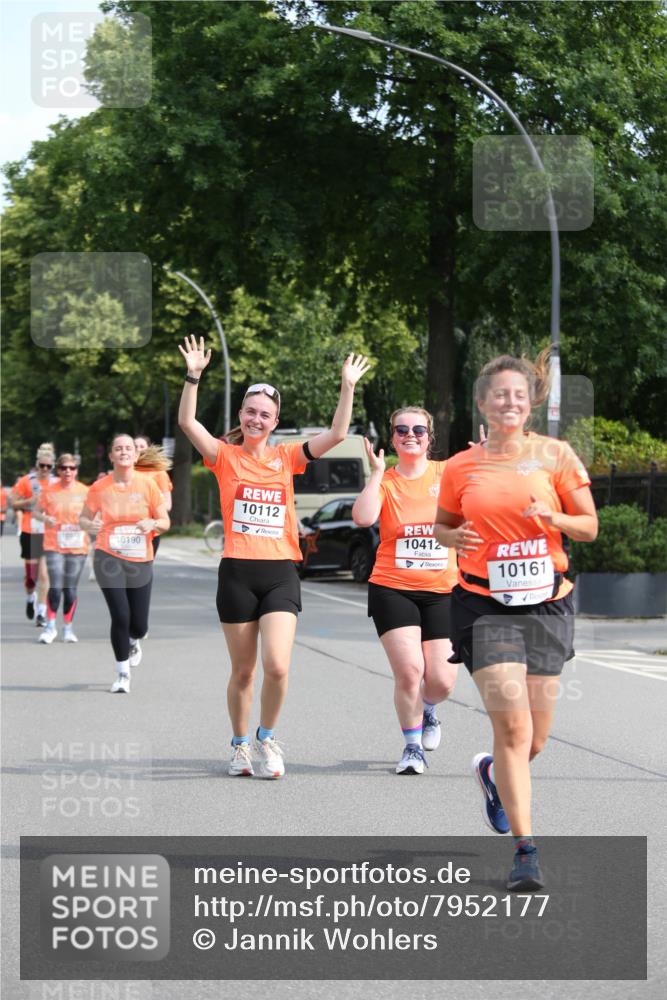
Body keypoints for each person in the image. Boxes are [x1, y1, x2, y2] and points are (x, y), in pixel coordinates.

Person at [434, 349, 597, 891]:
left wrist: (556, 518)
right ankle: (525, 851)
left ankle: (493, 777)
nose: (509, 402)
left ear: (530, 405)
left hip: (548, 603)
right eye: (499, 394)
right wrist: (451, 539)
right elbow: (443, 527)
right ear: (482, 403)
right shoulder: (460, 466)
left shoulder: (555, 455)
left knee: (536, 740)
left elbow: (589, 527)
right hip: (483, 605)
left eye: (518, 395)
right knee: (513, 726)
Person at [177, 335, 370, 779]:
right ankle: (239, 745)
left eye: (265, 414)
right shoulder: (223, 457)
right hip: (237, 573)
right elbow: (188, 422)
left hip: (280, 571)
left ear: (275, 420)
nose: (256, 419)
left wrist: (348, 386)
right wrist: (193, 376)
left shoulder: (288, 458)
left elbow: (338, 434)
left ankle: (267, 736)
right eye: (250, 412)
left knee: (278, 666)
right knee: (243, 673)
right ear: (241, 416)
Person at [353, 408, 458, 775]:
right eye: (401, 429)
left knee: (442, 681)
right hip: (392, 587)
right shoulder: (387, 479)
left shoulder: (447, 473)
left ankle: (429, 709)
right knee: (410, 671)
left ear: (430, 436)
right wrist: (377, 474)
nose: (409, 434)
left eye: (418, 429)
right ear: (393, 437)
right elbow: (364, 518)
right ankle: (412, 748)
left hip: (443, 590)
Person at [79, 434, 170, 693]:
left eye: (127, 448)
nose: (123, 452)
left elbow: (165, 521)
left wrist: (153, 523)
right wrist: (90, 524)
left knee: (139, 625)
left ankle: (134, 640)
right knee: (120, 615)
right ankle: (122, 674)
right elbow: (83, 519)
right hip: (108, 556)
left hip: (140, 557)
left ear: (135, 454)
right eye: (118, 448)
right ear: (111, 456)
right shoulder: (100, 487)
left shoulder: (148, 485)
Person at [34, 454, 89, 644]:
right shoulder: (49, 491)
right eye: (64, 468)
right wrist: (45, 519)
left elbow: (96, 514)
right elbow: (35, 512)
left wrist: (90, 524)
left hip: (77, 545)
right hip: (54, 544)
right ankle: (50, 627)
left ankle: (68, 628)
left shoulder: (85, 491)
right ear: (58, 470)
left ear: (76, 471)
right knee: (56, 587)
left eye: (72, 468)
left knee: (70, 589)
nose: (68, 471)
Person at [11, 444, 57, 625]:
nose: (45, 469)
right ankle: (31, 597)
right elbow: (14, 503)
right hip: (30, 530)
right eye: (42, 466)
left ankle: (41, 612)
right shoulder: (26, 481)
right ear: (37, 465)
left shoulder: (56, 483)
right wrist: (30, 501)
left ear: (52, 467)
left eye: (48, 466)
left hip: (48, 532)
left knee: (45, 575)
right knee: (31, 577)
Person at [134, 439, 173, 556]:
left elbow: (167, 505)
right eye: (135, 446)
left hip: (149, 531)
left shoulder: (159, 473)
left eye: (141, 446)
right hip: (125, 530)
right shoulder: (126, 471)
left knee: (143, 570)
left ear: (148, 448)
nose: (138, 448)